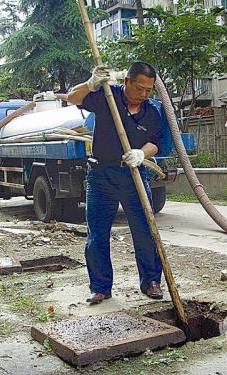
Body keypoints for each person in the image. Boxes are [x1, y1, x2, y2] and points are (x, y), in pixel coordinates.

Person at [67, 61, 164, 304]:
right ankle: (100, 287)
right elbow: (72, 98)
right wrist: (89, 84)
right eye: (139, 88)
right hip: (101, 176)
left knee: (146, 229)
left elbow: (157, 141)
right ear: (127, 81)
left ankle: (151, 281)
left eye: (148, 90)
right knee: (97, 234)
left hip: (133, 176)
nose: (142, 94)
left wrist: (142, 153)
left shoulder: (151, 110)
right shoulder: (107, 96)